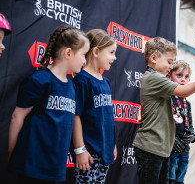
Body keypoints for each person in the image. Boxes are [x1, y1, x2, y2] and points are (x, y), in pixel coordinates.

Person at [8, 25, 90, 184]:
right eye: (83, 55)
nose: (85, 61)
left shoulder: (72, 85)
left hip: (55, 168)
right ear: (68, 53)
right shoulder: (40, 80)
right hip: (31, 166)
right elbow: (17, 117)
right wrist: (11, 153)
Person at [133, 37, 195, 184]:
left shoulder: (158, 78)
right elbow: (184, 91)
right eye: (169, 62)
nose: (171, 67)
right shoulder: (153, 78)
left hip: (161, 149)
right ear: (154, 58)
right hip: (151, 147)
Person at [72, 29, 117, 184]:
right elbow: (75, 116)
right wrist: (80, 149)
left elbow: (107, 118)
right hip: (88, 152)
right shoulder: (82, 80)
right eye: (111, 52)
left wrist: (112, 144)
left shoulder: (106, 82)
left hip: (105, 150)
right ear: (96, 51)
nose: (114, 57)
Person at [168, 60, 195, 184]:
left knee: (181, 175)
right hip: (171, 146)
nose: (183, 79)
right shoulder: (167, 99)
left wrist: (192, 135)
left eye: (186, 77)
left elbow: (189, 122)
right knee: (170, 175)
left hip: (184, 146)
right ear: (169, 77)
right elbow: (164, 123)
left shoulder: (187, 103)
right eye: (179, 76)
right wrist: (171, 139)